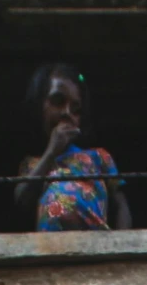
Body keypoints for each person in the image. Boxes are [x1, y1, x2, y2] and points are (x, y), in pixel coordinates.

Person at [14, 62, 133, 232]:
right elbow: (21, 199)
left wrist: (122, 245)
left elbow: (121, 205)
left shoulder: (99, 157)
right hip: (48, 250)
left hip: (94, 247)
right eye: (58, 101)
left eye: (76, 110)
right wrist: (51, 152)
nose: (67, 113)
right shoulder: (32, 163)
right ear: (40, 104)